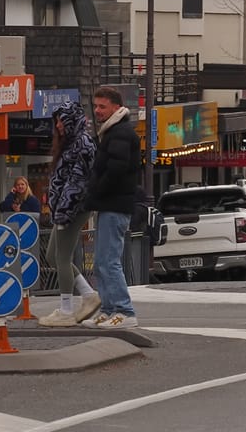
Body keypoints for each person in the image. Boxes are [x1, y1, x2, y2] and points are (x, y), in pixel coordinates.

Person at [38, 99, 103, 326]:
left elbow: (78, 183)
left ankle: (66, 310)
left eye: (61, 121)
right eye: (56, 122)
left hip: (72, 210)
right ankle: (88, 295)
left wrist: (64, 212)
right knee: (52, 255)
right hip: (66, 210)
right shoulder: (73, 143)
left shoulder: (83, 144)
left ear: (71, 121)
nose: (58, 126)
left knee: (62, 258)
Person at [83, 84, 140, 329]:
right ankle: (108, 310)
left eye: (102, 106)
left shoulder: (120, 133)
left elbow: (115, 169)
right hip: (111, 203)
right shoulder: (114, 131)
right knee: (101, 262)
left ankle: (124, 311)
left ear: (116, 107)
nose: (97, 111)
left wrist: (96, 190)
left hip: (115, 204)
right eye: (95, 106)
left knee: (108, 261)